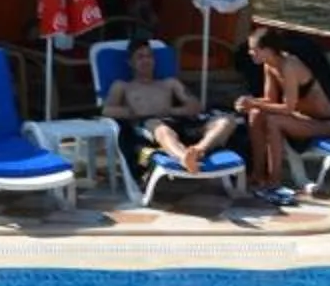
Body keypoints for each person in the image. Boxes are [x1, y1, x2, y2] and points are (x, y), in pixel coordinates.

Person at [235, 23, 330, 193]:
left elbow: (288, 108)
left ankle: (274, 180)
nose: (250, 53)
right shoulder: (269, 65)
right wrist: (248, 103)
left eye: (254, 49)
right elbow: (269, 100)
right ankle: (258, 173)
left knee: (274, 121)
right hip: (302, 118)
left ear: (268, 50)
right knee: (255, 114)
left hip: (325, 123)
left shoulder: (289, 65)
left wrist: (253, 102)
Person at [101, 34, 237, 178]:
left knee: (227, 120)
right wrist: (134, 112)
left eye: (149, 56)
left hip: (180, 122)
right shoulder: (123, 86)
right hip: (152, 126)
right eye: (140, 57)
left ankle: (198, 150)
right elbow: (107, 110)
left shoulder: (169, 83)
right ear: (130, 62)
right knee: (161, 128)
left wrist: (170, 110)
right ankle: (183, 157)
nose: (146, 60)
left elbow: (195, 106)